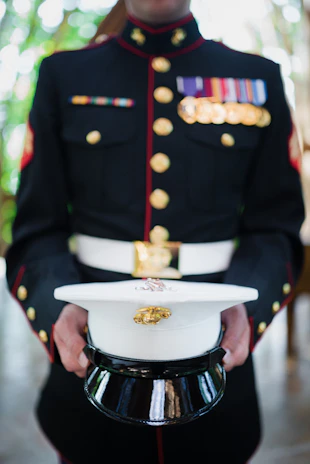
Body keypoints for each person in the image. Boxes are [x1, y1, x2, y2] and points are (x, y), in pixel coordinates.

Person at [5, 0, 305, 463]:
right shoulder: (64, 74)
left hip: (214, 364)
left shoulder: (256, 78)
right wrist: (54, 312)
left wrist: (250, 305)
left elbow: (275, 227)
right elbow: (36, 228)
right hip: (92, 363)